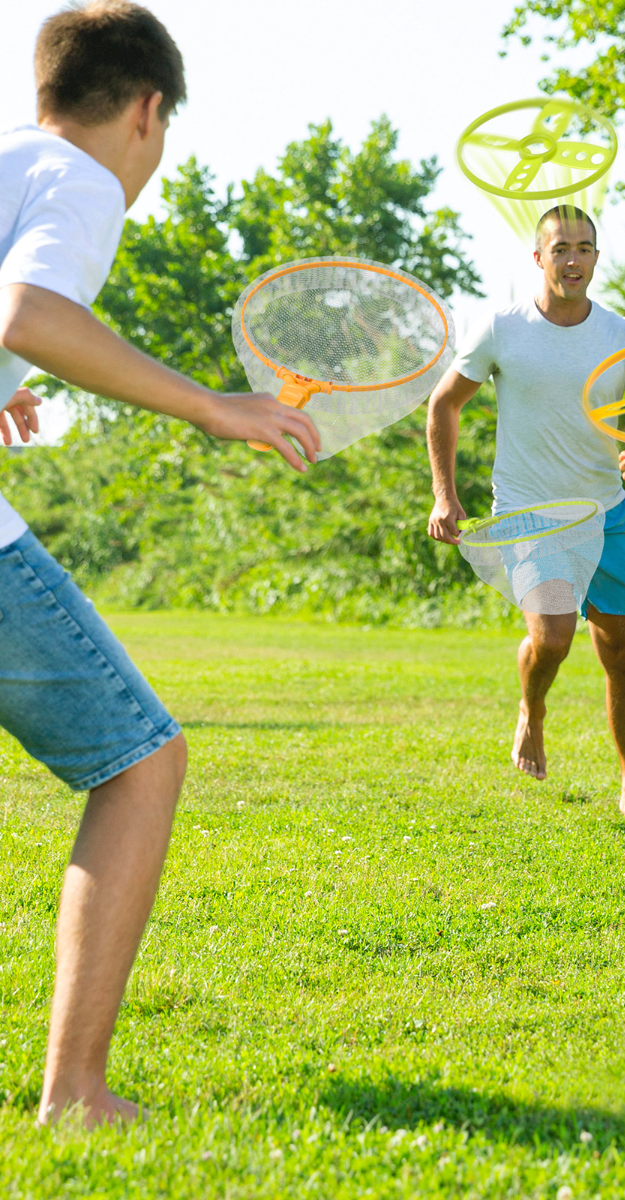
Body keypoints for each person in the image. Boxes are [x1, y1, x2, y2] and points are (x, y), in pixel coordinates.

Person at [0, 2, 320, 1126]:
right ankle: (76, 1092)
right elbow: (29, 310)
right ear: (148, 111)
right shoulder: (83, 184)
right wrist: (207, 406)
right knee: (141, 765)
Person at [426, 205, 625, 816]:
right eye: (561, 249)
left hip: (606, 510)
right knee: (555, 637)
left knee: (623, 651)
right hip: (530, 510)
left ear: (595, 258)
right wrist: (445, 495)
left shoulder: (621, 334)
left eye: (585, 249)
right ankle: (531, 708)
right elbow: (443, 407)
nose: (573, 260)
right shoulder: (502, 328)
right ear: (539, 259)